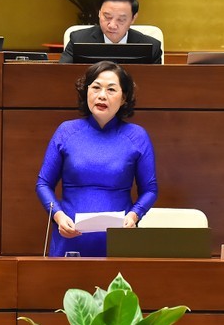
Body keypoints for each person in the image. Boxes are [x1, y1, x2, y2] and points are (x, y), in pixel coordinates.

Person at [36, 61, 158, 257]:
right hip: (70, 238)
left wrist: (134, 216)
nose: (102, 95)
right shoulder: (66, 131)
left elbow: (150, 190)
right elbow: (43, 183)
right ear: (86, 92)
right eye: (96, 87)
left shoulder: (137, 136)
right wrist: (58, 216)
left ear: (124, 97)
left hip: (119, 240)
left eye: (111, 89)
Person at [59, 0, 163, 64]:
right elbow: (62, 76)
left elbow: (155, 86)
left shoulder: (152, 47)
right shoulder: (78, 40)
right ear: (99, 13)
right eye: (107, 17)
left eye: (121, 19)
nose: (112, 25)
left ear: (133, 18)